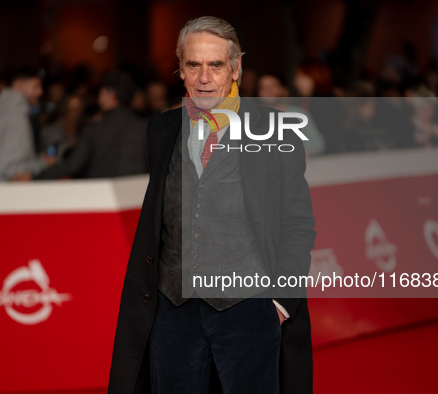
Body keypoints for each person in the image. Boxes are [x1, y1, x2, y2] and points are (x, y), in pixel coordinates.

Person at [108, 16, 316, 394]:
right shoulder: (161, 130)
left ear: (235, 68)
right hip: (172, 312)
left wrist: (280, 304)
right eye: (193, 65)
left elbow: (298, 224)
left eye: (216, 65)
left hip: (249, 309)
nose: (204, 77)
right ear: (181, 70)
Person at [34, 70, 148, 180]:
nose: (98, 100)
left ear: (111, 96)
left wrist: (35, 177)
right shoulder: (144, 127)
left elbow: (73, 166)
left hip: (101, 195)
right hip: (135, 195)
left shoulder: (95, 129)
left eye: (101, 93)